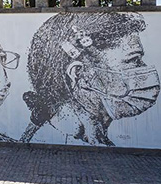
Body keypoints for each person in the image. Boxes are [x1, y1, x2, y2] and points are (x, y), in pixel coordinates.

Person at [21, 12, 159, 146]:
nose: (144, 68)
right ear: (78, 73)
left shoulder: (91, 141)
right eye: (134, 59)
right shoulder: (60, 143)